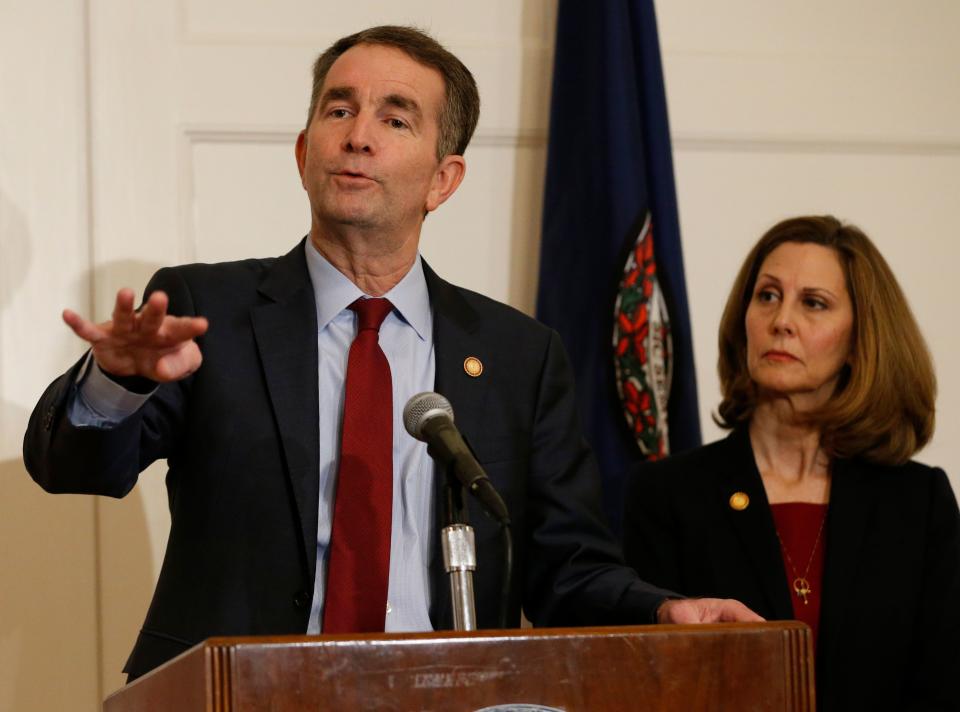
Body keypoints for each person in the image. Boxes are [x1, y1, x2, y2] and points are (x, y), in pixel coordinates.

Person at [23, 26, 757, 680]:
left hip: (446, 696)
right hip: (241, 696)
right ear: (305, 151)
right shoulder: (207, 311)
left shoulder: (517, 355)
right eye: (339, 110)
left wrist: (662, 610)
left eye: (394, 117)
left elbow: (567, 564)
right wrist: (117, 381)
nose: (358, 135)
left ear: (444, 178)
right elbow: (74, 470)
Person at [623, 215, 960, 711]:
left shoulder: (917, 500)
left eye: (814, 304)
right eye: (767, 296)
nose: (781, 321)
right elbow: (649, 683)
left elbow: (944, 684)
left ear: (860, 339)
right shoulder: (669, 493)